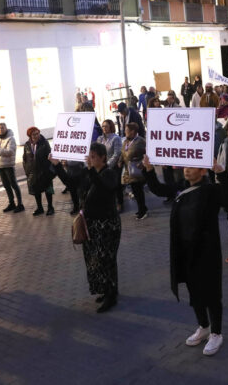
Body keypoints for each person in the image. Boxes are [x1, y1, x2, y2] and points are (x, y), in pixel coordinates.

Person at [142, 155, 228, 356]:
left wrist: (222, 174)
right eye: (186, 167)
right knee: (194, 290)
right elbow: (160, 190)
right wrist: (148, 170)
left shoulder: (210, 190)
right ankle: (203, 326)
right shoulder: (181, 186)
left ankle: (216, 333)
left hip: (207, 251)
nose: (187, 170)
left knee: (212, 292)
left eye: (192, 168)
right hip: (185, 249)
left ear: (202, 171)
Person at [78, 143, 121, 313]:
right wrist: (58, 166)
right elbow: (72, 182)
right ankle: (106, 290)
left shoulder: (109, 173)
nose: (90, 158)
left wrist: (90, 171)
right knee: (96, 260)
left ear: (103, 157)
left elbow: (104, 189)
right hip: (93, 224)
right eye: (89, 156)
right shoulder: (90, 174)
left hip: (107, 225)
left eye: (94, 156)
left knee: (107, 259)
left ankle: (111, 295)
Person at [0, 123, 24, 213]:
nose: (1, 129)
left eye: (2, 127)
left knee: (14, 184)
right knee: (6, 186)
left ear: (6, 128)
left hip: (8, 165)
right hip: (0, 165)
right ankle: (12, 203)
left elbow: (10, 152)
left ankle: (20, 204)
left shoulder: (11, 138)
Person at [23, 127, 54, 216]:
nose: (36, 136)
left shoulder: (44, 143)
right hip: (33, 172)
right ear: (30, 135)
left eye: (37, 133)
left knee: (48, 189)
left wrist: (48, 169)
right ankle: (39, 208)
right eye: (34, 134)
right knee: (36, 190)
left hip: (44, 171)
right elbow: (25, 158)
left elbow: (50, 155)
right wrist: (27, 170)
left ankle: (50, 207)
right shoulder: (27, 144)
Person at [119, 122, 147, 220]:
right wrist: (120, 161)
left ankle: (143, 211)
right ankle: (141, 209)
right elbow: (122, 152)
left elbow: (146, 153)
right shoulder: (126, 141)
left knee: (139, 191)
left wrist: (143, 163)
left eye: (127, 130)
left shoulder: (140, 141)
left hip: (137, 170)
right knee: (136, 191)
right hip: (128, 170)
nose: (125, 132)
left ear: (133, 132)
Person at [97, 119, 123, 212]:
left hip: (113, 166)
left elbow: (117, 154)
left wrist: (107, 165)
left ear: (111, 127)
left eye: (106, 126)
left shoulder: (116, 138)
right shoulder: (100, 139)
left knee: (116, 186)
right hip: (102, 166)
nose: (104, 128)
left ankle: (120, 203)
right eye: (103, 126)